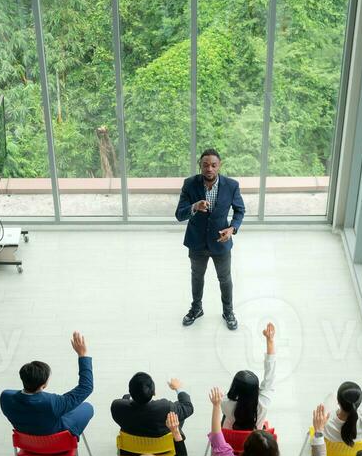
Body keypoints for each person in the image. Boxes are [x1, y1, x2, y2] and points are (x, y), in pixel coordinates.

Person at [175, 148, 245, 331]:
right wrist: (195, 206)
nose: (209, 169)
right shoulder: (189, 184)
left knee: (225, 278)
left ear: (219, 166)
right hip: (196, 242)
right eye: (205, 165)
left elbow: (240, 210)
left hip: (221, 241)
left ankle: (228, 311)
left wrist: (232, 228)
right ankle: (196, 308)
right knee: (197, 277)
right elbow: (179, 215)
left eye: (213, 165)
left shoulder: (232, 185)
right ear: (200, 166)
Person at [0, 332, 93, 456]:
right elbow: (86, 387)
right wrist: (82, 355)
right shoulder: (52, 403)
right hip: (56, 444)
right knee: (87, 407)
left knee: (57, 414)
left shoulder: (5, 397)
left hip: (28, 444)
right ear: (44, 384)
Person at [221, 322, 276, 430]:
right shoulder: (264, 402)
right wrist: (270, 341)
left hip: (231, 437)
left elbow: (224, 400)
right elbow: (270, 375)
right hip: (254, 438)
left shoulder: (225, 403)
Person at [110, 372, 194, 440]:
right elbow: (188, 407)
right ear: (154, 392)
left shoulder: (116, 406)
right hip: (162, 449)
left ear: (130, 391)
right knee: (178, 413)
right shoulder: (166, 408)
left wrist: (128, 398)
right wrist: (178, 388)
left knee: (125, 398)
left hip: (131, 449)